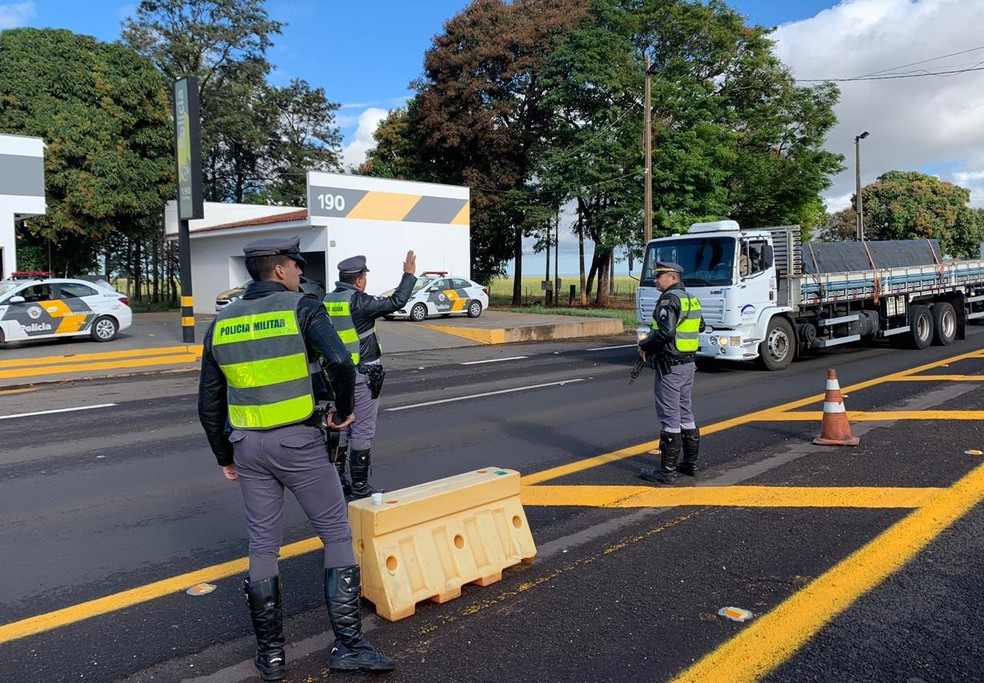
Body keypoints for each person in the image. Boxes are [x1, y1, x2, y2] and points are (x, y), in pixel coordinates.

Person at [198, 236, 394, 680]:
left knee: (263, 546)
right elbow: (342, 362)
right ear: (281, 269)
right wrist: (345, 410)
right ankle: (349, 646)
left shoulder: (221, 322)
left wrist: (223, 454)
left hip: (248, 447)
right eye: (297, 267)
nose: (301, 275)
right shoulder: (301, 308)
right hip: (299, 444)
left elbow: (209, 402)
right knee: (336, 535)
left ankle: (271, 657)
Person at [323, 251, 417, 498]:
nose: (365, 280)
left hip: (336, 375)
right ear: (359, 280)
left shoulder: (328, 300)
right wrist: (408, 274)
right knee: (362, 429)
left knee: (342, 426)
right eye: (364, 276)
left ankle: (339, 482)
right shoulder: (359, 301)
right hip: (362, 374)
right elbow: (396, 302)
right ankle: (360, 488)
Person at [638, 260, 705, 484]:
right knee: (686, 414)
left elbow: (665, 333)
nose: (656, 280)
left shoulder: (668, 299)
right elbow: (701, 326)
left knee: (669, 417)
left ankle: (667, 471)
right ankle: (690, 464)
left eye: (660, 276)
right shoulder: (691, 299)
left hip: (670, 365)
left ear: (673, 278)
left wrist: (645, 345)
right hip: (688, 365)